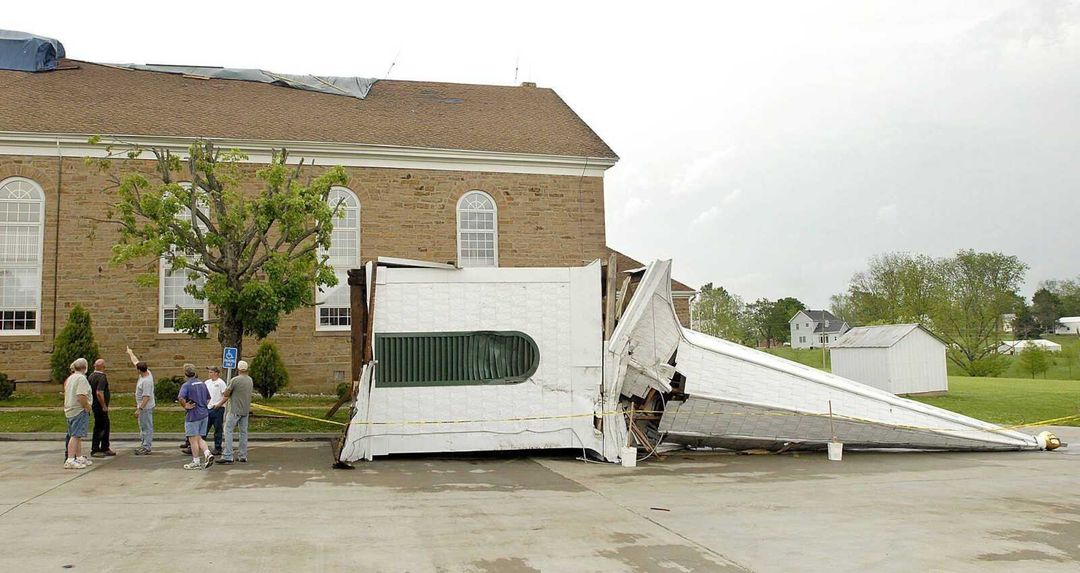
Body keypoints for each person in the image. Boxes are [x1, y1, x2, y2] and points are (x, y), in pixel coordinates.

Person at [177, 364, 214, 470]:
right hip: (204, 414)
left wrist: (186, 405)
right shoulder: (202, 383)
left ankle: (196, 460)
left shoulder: (187, 385)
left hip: (193, 415)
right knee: (199, 438)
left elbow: (180, 397)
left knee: (193, 439)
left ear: (185, 373)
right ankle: (207, 453)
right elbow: (208, 398)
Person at [218, 360, 253, 465]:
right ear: (246, 369)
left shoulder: (235, 380)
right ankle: (243, 455)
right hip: (245, 410)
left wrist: (223, 396)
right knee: (243, 433)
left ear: (238, 369)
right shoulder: (250, 380)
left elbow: (227, 393)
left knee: (228, 430)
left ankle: (228, 455)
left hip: (235, 410)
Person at [63, 358, 93, 469]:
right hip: (78, 410)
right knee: (75, 435)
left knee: (77, 435)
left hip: (70, 409)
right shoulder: (81, 379)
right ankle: (70, 459)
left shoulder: (71, 378)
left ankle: (78, 456)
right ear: (85, 368)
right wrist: (87, 407)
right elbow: (81, 395)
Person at [127, 347, 155, 455]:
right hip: (143, 406)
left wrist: (140, 409)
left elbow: (146, 397)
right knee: (143, 426)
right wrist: (130, 353)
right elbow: (136, 361)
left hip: (145, 408)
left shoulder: (146, 381)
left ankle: (146, 447)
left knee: (146, 427)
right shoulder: (146, 372)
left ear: (139, 370)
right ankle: (144, 444)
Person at [88, 359, 115, 458]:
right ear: (103, 367)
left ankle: (104, 447)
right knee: (102, 426)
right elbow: (99, 392)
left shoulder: (91, 376)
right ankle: (97, 448)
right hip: (100, 406)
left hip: (94, 405)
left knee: (102, 425)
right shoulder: (102, 377)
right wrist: (104, 405)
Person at [203, 366, 226, 456]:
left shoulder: (221, 383)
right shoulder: (207, 382)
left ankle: (218, 447)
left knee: (217, 428)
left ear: (216, 373)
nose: (209, 374)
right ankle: (199, 445)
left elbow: (225, 395)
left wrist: (219, 404)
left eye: (211, 372)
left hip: (217, 408)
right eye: (209, 372)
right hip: (208, 408)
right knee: (204, 428)